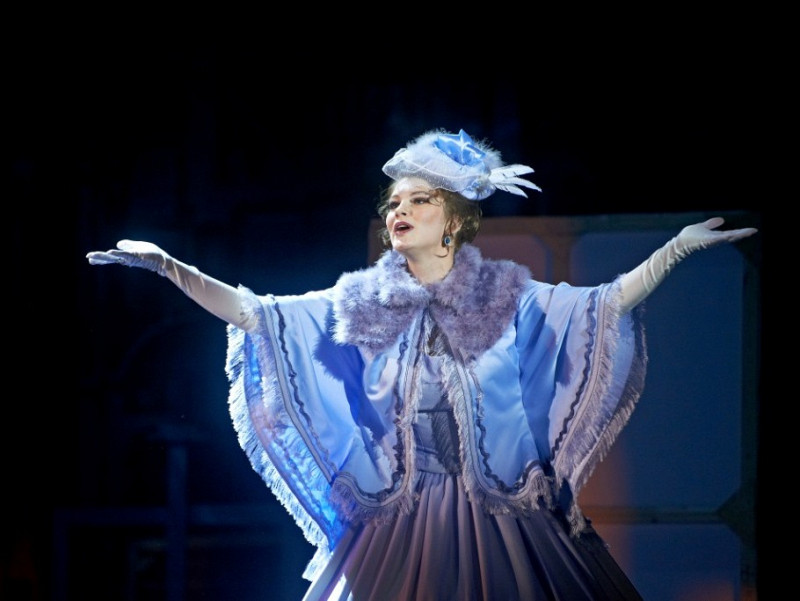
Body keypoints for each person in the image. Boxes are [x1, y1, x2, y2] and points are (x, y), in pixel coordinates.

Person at [87, 128, 758, 601]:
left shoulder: (506, 294)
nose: (400, 211)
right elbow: (257, 313)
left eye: (419, 200)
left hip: (500, 507)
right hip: (398, 512)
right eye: (394, 203)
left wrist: (674, 250)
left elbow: (603, 304)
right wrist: (169, 267)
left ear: (455, 220)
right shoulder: (364, 301)